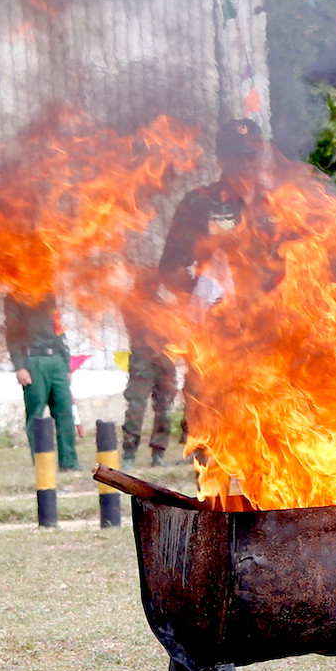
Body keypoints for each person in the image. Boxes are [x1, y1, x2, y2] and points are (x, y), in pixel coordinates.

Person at [158, 117, 273, 448]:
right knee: (210, 424)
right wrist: (202, 292)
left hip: (269, 336)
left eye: (252, 156)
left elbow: (300, 265)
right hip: (215, 337)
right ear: (222, 159)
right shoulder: (199, 203)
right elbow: (169, 267)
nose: (246, 164)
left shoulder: (278, 204)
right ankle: (212, 496)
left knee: (270, 426)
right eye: (238, 156)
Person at [5, 293, 79, 471]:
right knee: (36, 415)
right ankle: (42, 464)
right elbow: (12, 333)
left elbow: (58, 327)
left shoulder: (48, 294)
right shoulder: (14, 297)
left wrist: (66, 363)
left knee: (65, 411)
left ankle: (69, 462)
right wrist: (20, 366)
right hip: (33, 361)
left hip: (56, 360)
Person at [121, 304, 178, 467]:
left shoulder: (170, 296)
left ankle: (159, 454)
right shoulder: (135, 300)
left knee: (164, 410)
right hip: (142, 360)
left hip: (165, 360)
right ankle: (129, 455)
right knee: (135, 409)